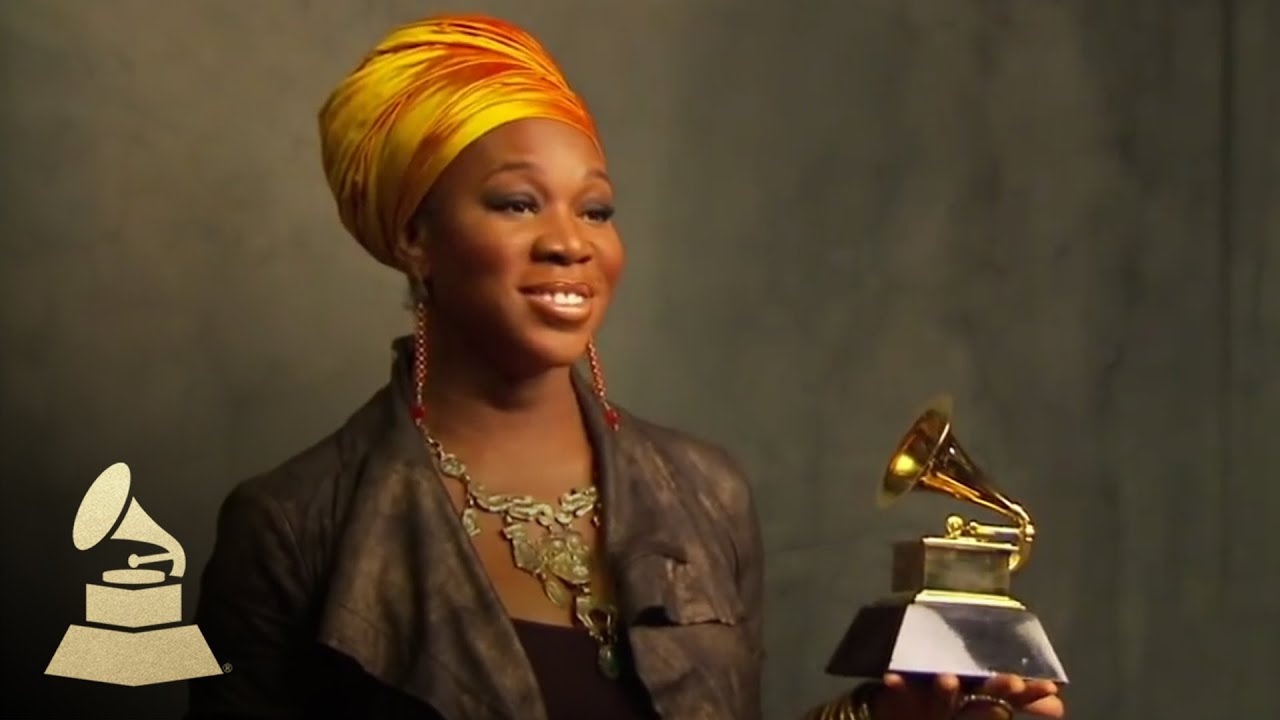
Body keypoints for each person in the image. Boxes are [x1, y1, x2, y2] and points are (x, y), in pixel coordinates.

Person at [185, 14, 1065, 720]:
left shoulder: (706, 492)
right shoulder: (293, 528)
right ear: (415, 236)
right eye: (517, 202)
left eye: (596, 209)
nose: (570, 242)